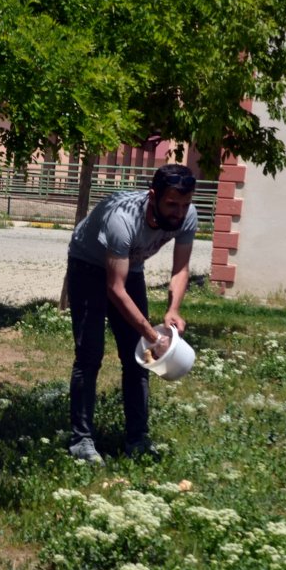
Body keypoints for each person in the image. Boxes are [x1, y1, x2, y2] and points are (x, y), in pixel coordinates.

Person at [64, 163, 199, 464]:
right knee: (90, 355)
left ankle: (137, 439)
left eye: (185, 204)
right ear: (153, 196)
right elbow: (115, 289)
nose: (179, 212)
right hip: (88, 265)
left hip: (129, 267)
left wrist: (173, 308)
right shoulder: (123, 219)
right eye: (171, 204)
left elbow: (181, 268)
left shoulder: (187, 216)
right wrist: (152, 335)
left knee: (139, 359)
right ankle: (81, 441)